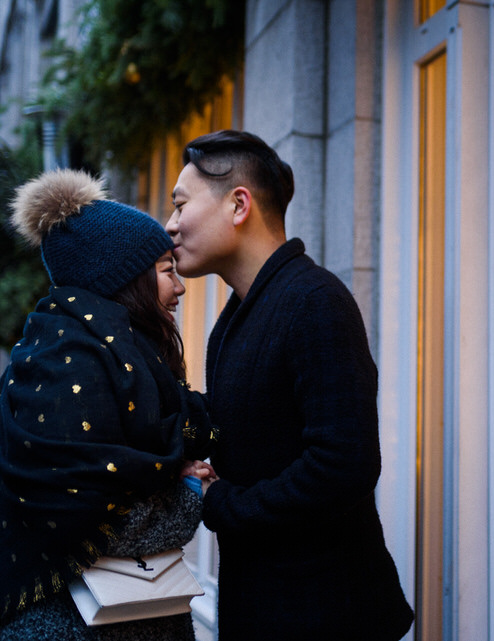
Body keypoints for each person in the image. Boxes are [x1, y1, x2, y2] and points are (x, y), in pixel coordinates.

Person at [166, 130, 414, 640]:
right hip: (264, 604)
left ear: (239, 205)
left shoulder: (314, 301)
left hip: (326, 613)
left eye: (180, 204)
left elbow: (343, 466)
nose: (170, 225)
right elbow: (242, 421)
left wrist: (222, 503)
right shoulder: (239, 315)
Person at [0, 169, 216, 640]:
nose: (179, 288)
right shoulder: (70, 375)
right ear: (126, 281)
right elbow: (109, 527)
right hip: (74, 626)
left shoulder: (110, 364)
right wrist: (190, 493)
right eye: (166, 271)